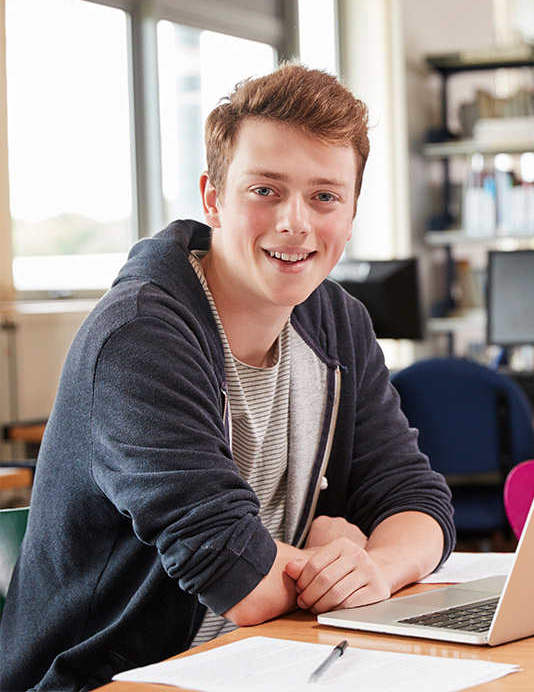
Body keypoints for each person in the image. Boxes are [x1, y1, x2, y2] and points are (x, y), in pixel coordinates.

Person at [0, 62, 455, 691]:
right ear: (213, 196)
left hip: (272, 659)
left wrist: (371, 567)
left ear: (350, 212)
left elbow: (417, 501)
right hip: (115, 679)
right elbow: (240, 579)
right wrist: (329, 554)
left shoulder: (337, 322)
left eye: (325, 195)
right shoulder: (139, 337)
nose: (296, 222)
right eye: (265, 189)